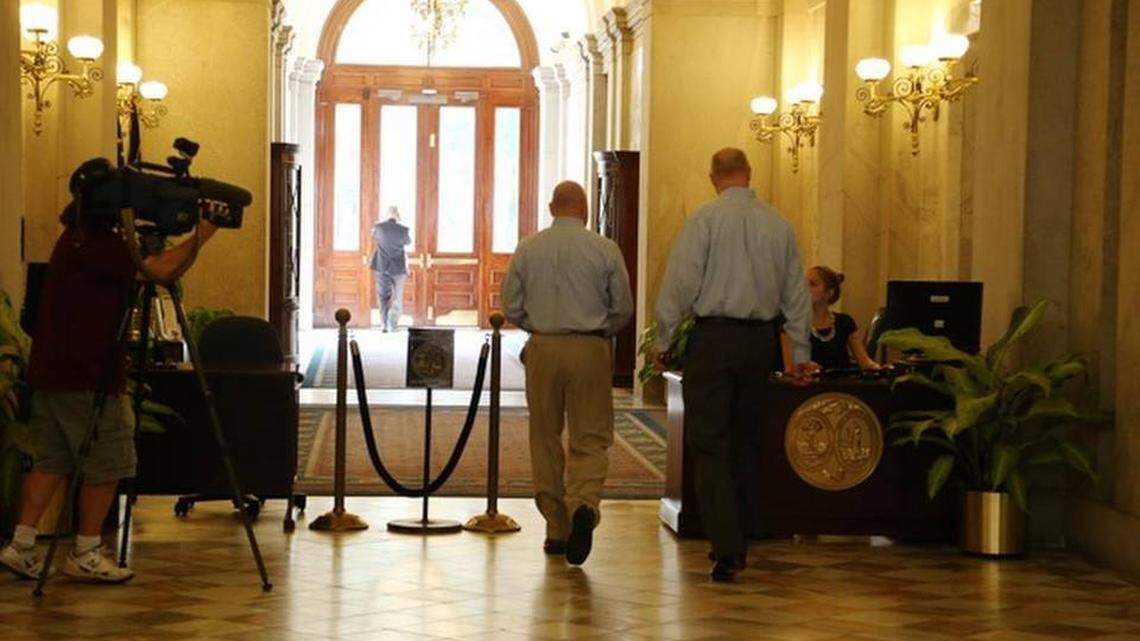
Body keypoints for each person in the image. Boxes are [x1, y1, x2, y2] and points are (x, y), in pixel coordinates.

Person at [0, 160, 219, 584]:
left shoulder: (78, 238)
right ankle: (84, 551)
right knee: (110, 458)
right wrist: (202, 234)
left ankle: (21, 545)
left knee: (52, 458)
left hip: (54, 370)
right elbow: (160, 270)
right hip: (88, 373)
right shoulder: (99, 243)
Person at [653, 148, 816, 582]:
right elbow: (796, 296)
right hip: (759, 343)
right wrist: (800, 355)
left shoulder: (704, 220)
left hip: (713, 340)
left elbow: (681, 283)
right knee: (747, 440)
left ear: (713, 177)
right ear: (749, 175)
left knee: (709, 442)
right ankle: (745, 532)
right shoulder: (779, 225)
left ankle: (727, 547)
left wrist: (665, 339)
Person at [502, 181, 633, 566]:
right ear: (585, 208)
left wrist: (538, 326)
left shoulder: (528, 247)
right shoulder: (604, 248)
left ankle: (556, 528)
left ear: (550, 207)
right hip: (590, 347)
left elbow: (511, 305)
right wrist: (600, 331)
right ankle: (585, 505)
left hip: (543, 346)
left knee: (544, 434)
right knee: (590, 436)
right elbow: (622, 306)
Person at [780, 266, 881, 372]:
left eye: (812, 284)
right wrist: (804, 367)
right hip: (804, 386)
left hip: (839, 387)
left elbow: (865, 362)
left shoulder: (845, 322)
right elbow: (790, 368)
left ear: (829, 293)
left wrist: (883, 369)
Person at [369, 206, 411, 332]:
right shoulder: (403, 230)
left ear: (387, 214)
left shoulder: (379, 227)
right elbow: (408, 242)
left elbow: (374, 234)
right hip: (398, 267)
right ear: (397, 215)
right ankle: (392, 323)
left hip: (381, 266)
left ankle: (383, 324)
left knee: (383, 296)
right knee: (398, 297)